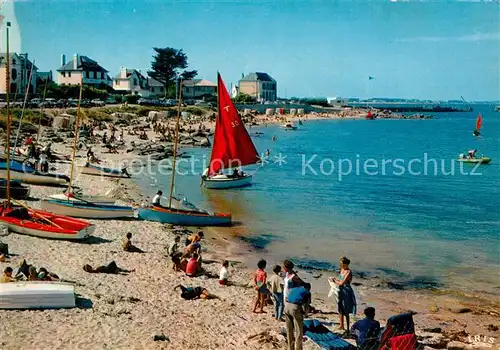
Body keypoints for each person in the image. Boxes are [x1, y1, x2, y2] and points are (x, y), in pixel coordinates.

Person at [282, 260, 308, 350]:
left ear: (286, 267)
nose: (282, 268)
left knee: (294, 327)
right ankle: (292, 347)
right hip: (287, 299)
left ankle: (293, 347)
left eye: (283, 267)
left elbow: (303, 284)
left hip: (292, 298)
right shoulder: (286, 274)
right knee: (292, 327)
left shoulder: (294, 276)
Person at [330, 257, 356, 334]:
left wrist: (335, 281)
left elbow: (342, 283)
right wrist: (334, 280)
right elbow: (340, 280)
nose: (340, 265)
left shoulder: (348, 272)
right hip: (341, 290)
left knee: (346, 309)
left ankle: (347, 328)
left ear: (345, 264)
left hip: (346, 291)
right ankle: (341, 325)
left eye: (341, 263)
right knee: (340, 307)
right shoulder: (342, 270)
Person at [285, 283, 311, 350]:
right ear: (308, 288)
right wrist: (305, 314)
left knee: (289, 329)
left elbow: (288, 297)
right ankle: (298, 348)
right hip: (294, 308)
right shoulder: (307, 292)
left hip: (286, 306)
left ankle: (290, 347)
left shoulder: (294, 289)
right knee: (299, 331)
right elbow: (306, 305)